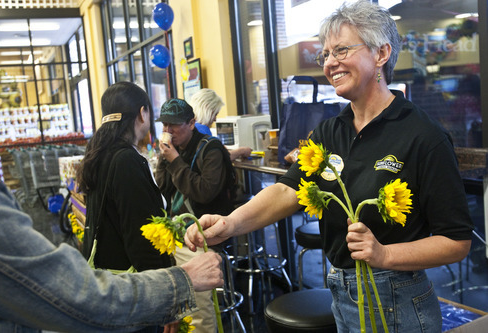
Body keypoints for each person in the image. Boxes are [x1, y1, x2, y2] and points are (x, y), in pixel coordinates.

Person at [185, 1, 474, 332]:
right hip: (342, 293)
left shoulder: (423, 135)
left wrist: (384, 255)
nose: (329, 63)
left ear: (381, 54)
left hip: (398, 301)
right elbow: (287, 191)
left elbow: (457, 241)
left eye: (341, 50)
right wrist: (230, 224)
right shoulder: (329, 131)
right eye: (325, 54)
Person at [0, 168, 223, 332]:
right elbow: (79, 296)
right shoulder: (129, 161)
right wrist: (181, 281)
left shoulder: (99, 158)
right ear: (142, 115)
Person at [76, 81, 174, 332]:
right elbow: (141, 237)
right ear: (142, 113)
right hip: (134, 292)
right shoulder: (127, 160)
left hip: (108, 285)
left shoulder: (97, 153)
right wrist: (167, 297)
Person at [155, 98, 236, 333]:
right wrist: (164, 160)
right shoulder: (173, 150)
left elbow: (204, 192)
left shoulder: (211, 149)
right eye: (164, 126)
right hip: (178, 231)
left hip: (207, 232)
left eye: (174, 125)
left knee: (196, 307)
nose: (168, 131)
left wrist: (175, 162)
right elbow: (162, 187)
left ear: (191, 123)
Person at [190, 88, 252, 161]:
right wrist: (242, 151)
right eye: (215, 114)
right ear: (207, 109)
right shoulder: (202, 130)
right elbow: (222, 158)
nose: (215, 119)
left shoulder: (191, 127)